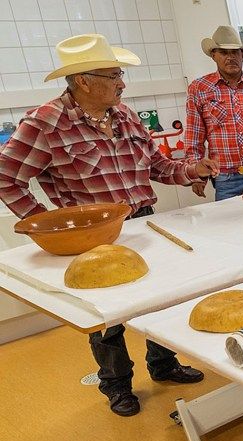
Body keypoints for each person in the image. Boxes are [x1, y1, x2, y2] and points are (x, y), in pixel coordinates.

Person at [0, 34, 219, 417]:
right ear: (83, 81)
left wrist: (192, 170)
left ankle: (164, 365)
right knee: (107, 318)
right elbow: (6, 176)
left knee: (158, 300)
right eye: (114, 74)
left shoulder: (128, 116)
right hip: (92, 237)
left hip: (143, 224)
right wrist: (46, 225)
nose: (122, 82)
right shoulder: (45, 123)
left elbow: (158, 168)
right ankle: (117, 386)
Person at [185, 26, 243, 200]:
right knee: (229, 226)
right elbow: (194, 137)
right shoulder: (199, 88)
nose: (230, 57)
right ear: (213, 55)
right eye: (224, 52)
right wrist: (197, 175)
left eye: (235, 52)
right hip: (226, 179)